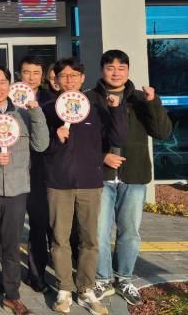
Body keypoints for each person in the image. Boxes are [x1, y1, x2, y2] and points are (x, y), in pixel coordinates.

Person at [42, 58, 127, 315]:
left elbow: (117, 138)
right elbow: (39, 147)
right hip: (58, 183)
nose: (69, 80)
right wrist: (54, 137)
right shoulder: (47, 110)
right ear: (55, 81)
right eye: (63, 76)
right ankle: (64, 288)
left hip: (90, 183)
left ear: (82, 78)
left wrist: (116, 110)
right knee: (60, 238)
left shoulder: (95, 108)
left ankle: (86, 288)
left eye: (74, 75)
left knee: (90, 239)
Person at [88, 50, 172, 306]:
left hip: (134, 175)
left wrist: (153, 102)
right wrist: (101, 156)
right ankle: (102, 278)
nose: (116, 72)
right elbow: (81, 140)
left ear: (128, 70)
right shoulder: (89, 99)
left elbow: (162, 132)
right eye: (110, 67)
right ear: (101, 70)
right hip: (100, 176)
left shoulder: (140, 99)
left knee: (130, 232)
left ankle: (124, 278)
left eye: (121, 67)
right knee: (99, 232)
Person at [0, 66, 49, 315]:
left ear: (10, 85)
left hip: (17, 190)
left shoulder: (24, 114)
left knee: (12, 247)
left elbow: (41, 144)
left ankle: (13, 296)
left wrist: (36, 111)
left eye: (3, 82)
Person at [18, 56, 57, 293]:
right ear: (19, 74)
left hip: (41, 169)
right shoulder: (10, 100)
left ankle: (37, 274)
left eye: (36, 72)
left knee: (39, 223)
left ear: (42, 75)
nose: (31, 77)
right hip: (12, 168)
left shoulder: (51, 101)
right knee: (9, 225)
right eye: (26, 72)